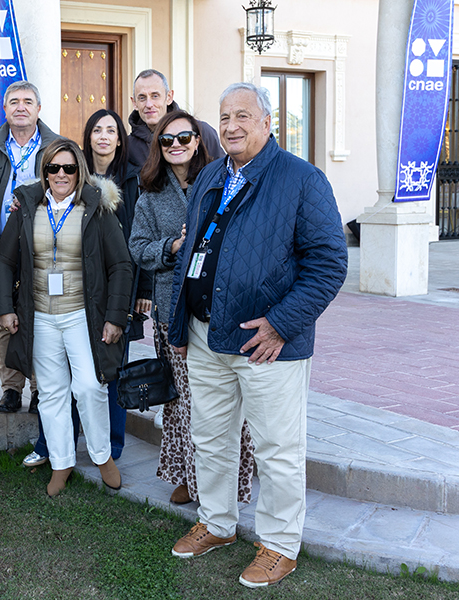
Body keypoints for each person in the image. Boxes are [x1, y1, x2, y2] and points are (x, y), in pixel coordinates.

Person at [167, 83, 347, 588]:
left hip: (267, 346)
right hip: (206, 337)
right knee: (210, 438)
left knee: (276, 449)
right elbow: (190, 254)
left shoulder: (302, 179)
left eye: (243, 116)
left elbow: (329, 263)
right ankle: (217, 523)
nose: (231, 126)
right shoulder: (210, 175)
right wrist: (181, 324)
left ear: (268, 123)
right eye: (224, 117)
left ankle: (279, 546)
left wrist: (282, 324)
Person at [0, 137, 133, 497]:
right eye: (53, 167)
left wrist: (115, 317)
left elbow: (121, 265)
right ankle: (61, 461)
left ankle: (102, 455)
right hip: (40, 316)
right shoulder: (27, 206)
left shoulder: (96, 207)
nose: (61, 174)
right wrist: (5, 308)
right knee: (52, 392)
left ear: (79, 171)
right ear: (45, 171)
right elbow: (4, 260)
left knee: (89, 386)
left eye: (69, 167)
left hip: (82, 316)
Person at [129, 109, 254, 506]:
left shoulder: (222, 181)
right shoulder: (149, 193)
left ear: (198, 141)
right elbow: (138, 247)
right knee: (184, 399)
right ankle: (189, 474)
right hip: (173, 312)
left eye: (184, 138)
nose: (176, 145)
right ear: (159, 147)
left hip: (221, 308)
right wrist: (173, 247)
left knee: (223, 401)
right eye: (167, 140)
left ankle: (232, 479)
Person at [21, 108, 149, 469]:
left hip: (116, 289)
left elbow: (138, 240)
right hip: (72, 294)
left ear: (120, 139)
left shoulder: (134, 179)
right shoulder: (67, 176)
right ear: (88, 137)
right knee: (60, 374)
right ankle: (52, 444)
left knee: (109, 370)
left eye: (111, 131)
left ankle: (109, 445)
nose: (104, 137)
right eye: (97, 130)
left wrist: (142, 290)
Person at [0, 80, 59, 414]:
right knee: (6, 316)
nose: (21, 107)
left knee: (42, 319)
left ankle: (41, 389)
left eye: (28, 101)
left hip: (44, 247)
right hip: (2, 248)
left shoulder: (57, 147)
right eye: (14, 102)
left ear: (38, 108)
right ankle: (11, 388)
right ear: (5, 108)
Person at [127, 69, 223, 168]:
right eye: (142, 98)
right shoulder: (129, 147)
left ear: (169, 97)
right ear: (134, 103)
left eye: (155, 96)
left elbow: (223, 171)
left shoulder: (201, 132)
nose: (149, 104)